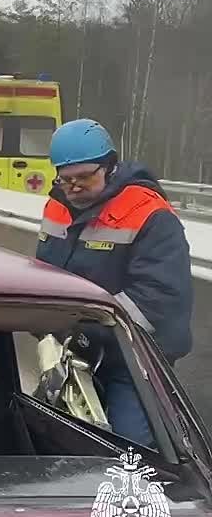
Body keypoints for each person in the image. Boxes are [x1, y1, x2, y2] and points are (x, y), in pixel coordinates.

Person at [37, 118, 193, 447]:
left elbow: (158, 300)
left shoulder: (150, 215)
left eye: (84, 177)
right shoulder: (57, 206)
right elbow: (44, 270)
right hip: (78, 347)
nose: (74, 187)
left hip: (136, 356)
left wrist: (87, 323)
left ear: (110, 167)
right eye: (65, 179)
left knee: (130, 448)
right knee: (44, 425)